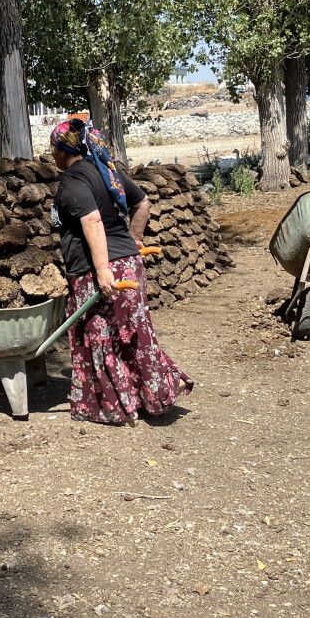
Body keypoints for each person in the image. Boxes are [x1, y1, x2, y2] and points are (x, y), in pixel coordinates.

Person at [50, 119, 194, 425]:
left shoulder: (74, 180)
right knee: (135, 332)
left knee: (100, 336)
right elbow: (143, 203)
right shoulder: (108, 171)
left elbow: (91, 221)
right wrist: (135, 239)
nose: (51, 154)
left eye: (53, 148)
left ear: (64, 151)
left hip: (99, 270)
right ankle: (154, 392)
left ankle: (114, 405)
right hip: (128, 263)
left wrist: (102, 270)